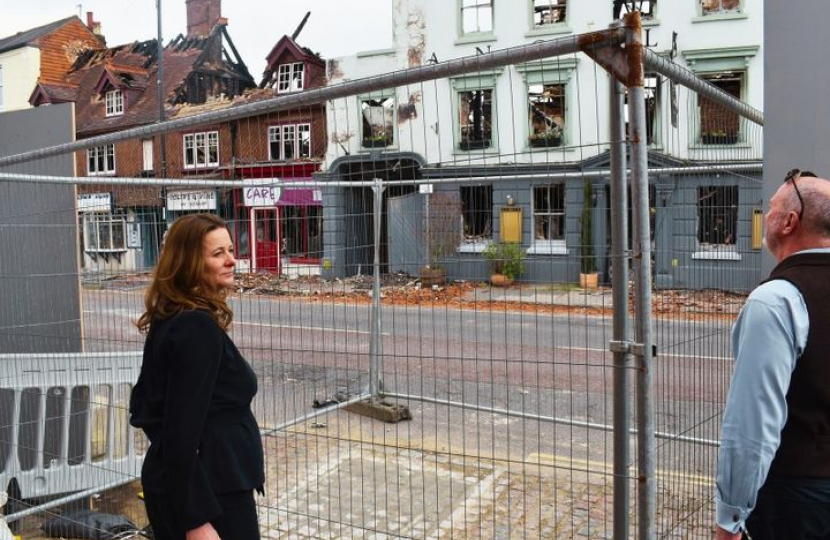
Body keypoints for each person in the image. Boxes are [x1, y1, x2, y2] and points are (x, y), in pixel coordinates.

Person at [130, 213, 264, 540]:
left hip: (207, 483)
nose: (232, 260)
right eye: (218, 253)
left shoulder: (174, 316)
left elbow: (151, 409)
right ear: (190, 262)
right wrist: (197, 521)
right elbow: (178, 432)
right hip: (211, 494)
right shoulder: (195, 327)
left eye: (230, 250)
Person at [716, 170, 830, 540]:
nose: (765, 215)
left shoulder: (776, 300)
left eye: (772, 207)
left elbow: (753, 425)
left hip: (799, 499)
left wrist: (729, 519)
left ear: (788, 222)